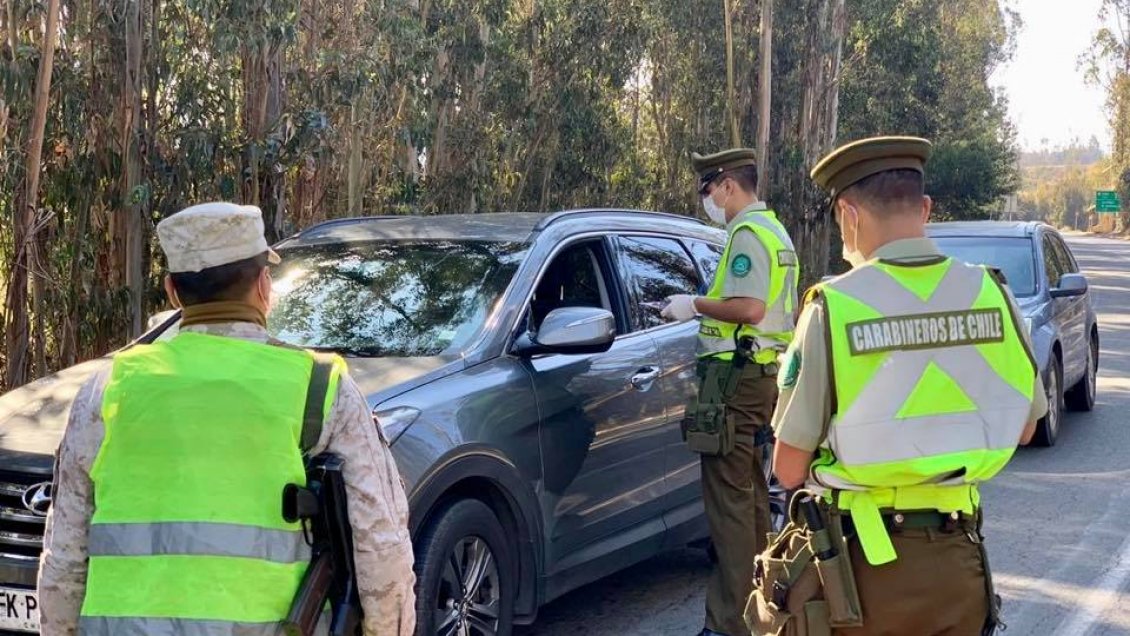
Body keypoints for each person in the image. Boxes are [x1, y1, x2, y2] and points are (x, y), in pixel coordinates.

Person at [38, 202, 417, 635]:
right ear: (263, 284)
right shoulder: (318, 385)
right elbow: (380, 542)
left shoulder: (108, 387)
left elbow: (65, 555)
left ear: (172, 292)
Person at [769, 136, 1048, 634]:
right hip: (960, 560)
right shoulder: (993, 292)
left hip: (860, 575)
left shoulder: (833, 307)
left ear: (849, 215)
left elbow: (789, 466)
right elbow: (1025, 429)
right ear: (924, 209)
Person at [661, 148, 799, 636]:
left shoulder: (747, 233)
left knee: (729, 510)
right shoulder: (776, 231)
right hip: (758, 377)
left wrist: (693, 305)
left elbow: (750, 308)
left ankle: (731, 623)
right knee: (752, 500)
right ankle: (765, 609)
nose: (707, 201)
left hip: (734, 379)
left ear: (728, 185)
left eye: (708, 190)